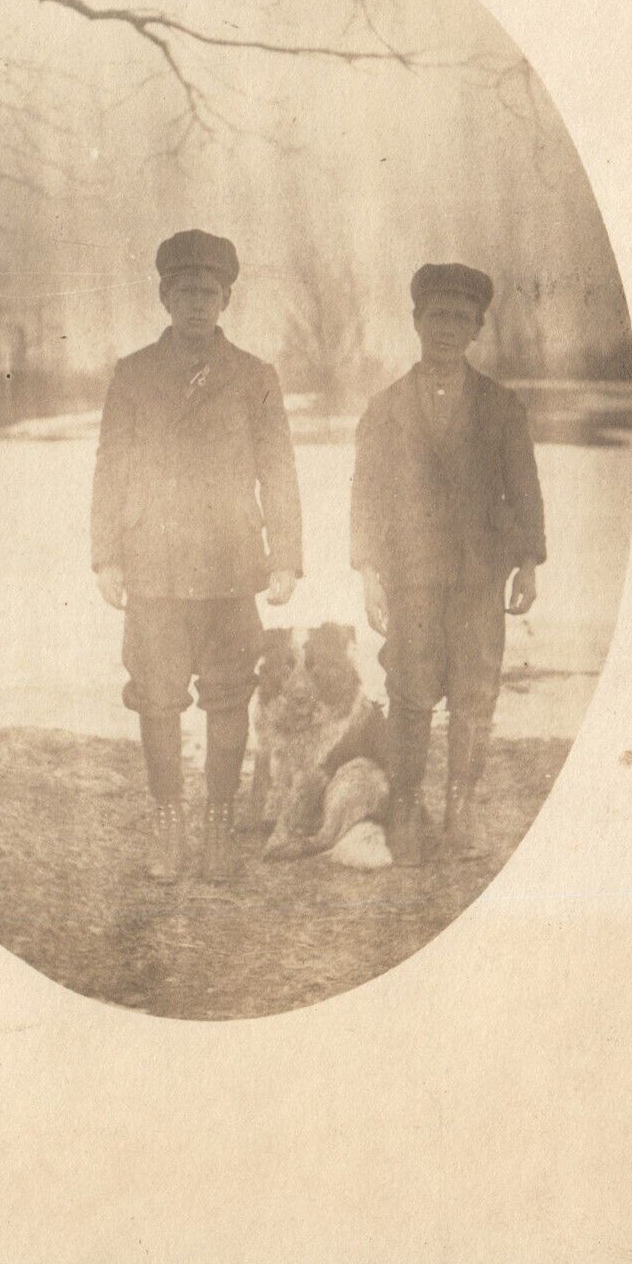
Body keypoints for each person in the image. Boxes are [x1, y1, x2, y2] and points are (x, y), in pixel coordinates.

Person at [91, 229, 302, 884]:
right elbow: (110, 468)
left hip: (230, 566)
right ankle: (167, 828)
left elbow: (279, 469)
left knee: (228, 696)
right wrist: (105, 557)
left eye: (208, 293)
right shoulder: (132, 375)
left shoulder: (254, 377)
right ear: (163, 295)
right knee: (156, 699)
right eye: (183, 292)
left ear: (226, 299)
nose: (195, 304)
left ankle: (216, 827)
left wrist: (285, 556)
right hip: (152, 565)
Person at [350, 263, 546, 865]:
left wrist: (528, 562)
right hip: (410, 576)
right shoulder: (384, 409)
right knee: (409, 693)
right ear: (416, 322)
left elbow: (524, 491)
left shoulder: (501, 407)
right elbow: (367, 494)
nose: (446, 328)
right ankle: (407, 810)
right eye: (436, 316)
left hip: (478, 578)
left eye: (460, 318)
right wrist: (367, 572)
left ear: (477, 328)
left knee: (473, 694)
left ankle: (458, 816)